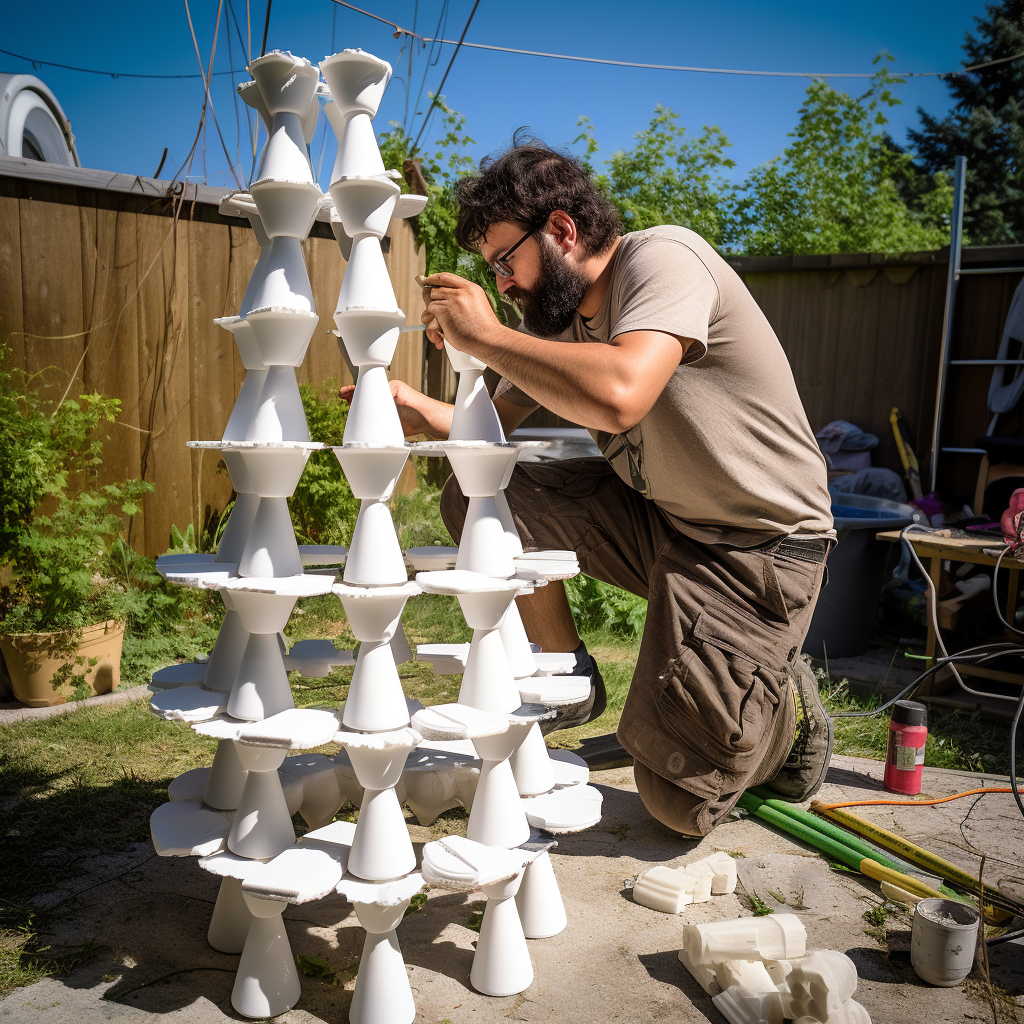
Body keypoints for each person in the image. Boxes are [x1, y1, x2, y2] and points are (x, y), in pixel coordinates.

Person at [350, 140, 835, 837]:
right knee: (479, 495)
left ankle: (782, 709)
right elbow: (490, 428)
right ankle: (566, 673)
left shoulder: (665, 259)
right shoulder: (558, 322)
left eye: (504, 261)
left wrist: (485, 337)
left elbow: (620, 395)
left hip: (758, 552)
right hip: (665, 520)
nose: (503, 283)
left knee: (676, 803)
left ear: (562, 231)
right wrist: (418, 412)